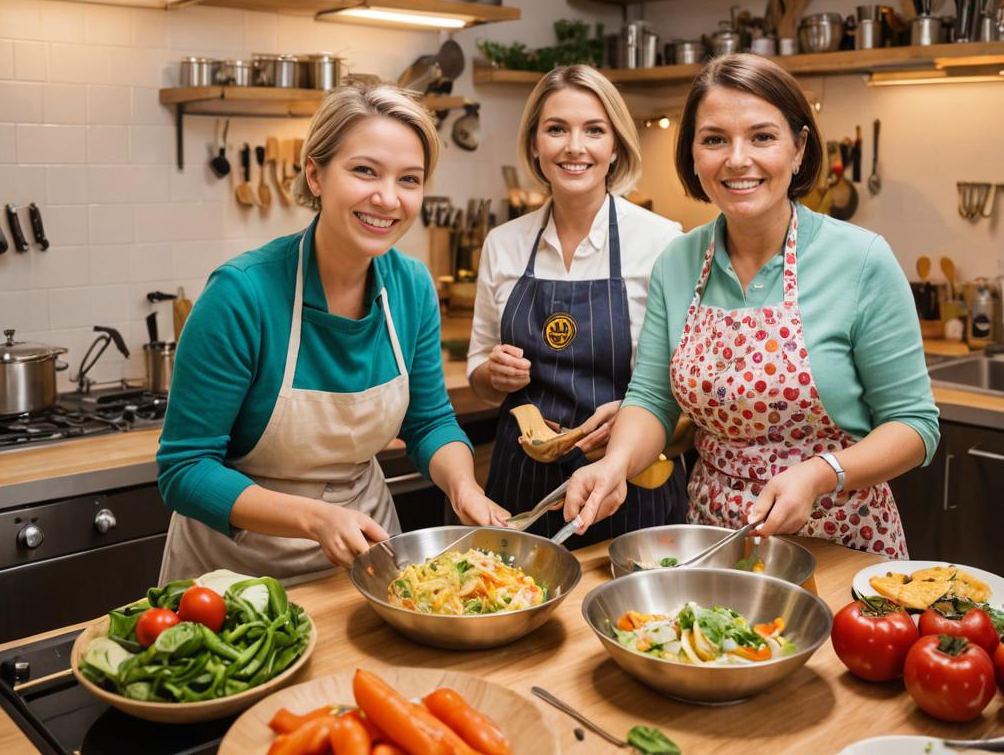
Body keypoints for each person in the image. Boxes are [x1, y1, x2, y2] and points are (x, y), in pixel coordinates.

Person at [564, 54, 939, 557]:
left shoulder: (861, 259)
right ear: (694, 155)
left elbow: (915, 425)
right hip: (713, 540)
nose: (737, 159)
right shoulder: (677, 262)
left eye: (762, 137)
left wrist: (818, 474)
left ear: (799, 148)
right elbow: (652, 401)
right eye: (715, 139)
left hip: (842, 542)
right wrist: (614, 465)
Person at [157, 84, 506, 583]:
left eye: (409, 179)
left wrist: (463, 487)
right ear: (315, 175)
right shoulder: (242, 294)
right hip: (233, 583)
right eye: (365, 171)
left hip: (365, 563)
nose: (388, 198)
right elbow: (184, 470)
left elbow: (429, 423)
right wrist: (315, 519)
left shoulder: (411, 287)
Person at [468, 64, 687, 546]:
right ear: (534, 144)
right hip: (520, 491)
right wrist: (493, 373)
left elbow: (688, 386)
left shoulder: (662, 242)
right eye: (556, 129)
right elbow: (479, 377)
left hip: (632, 487)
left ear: (615, 146)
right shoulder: (503, 244)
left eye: (594, 130)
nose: (574, 147)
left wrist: (632, 424)